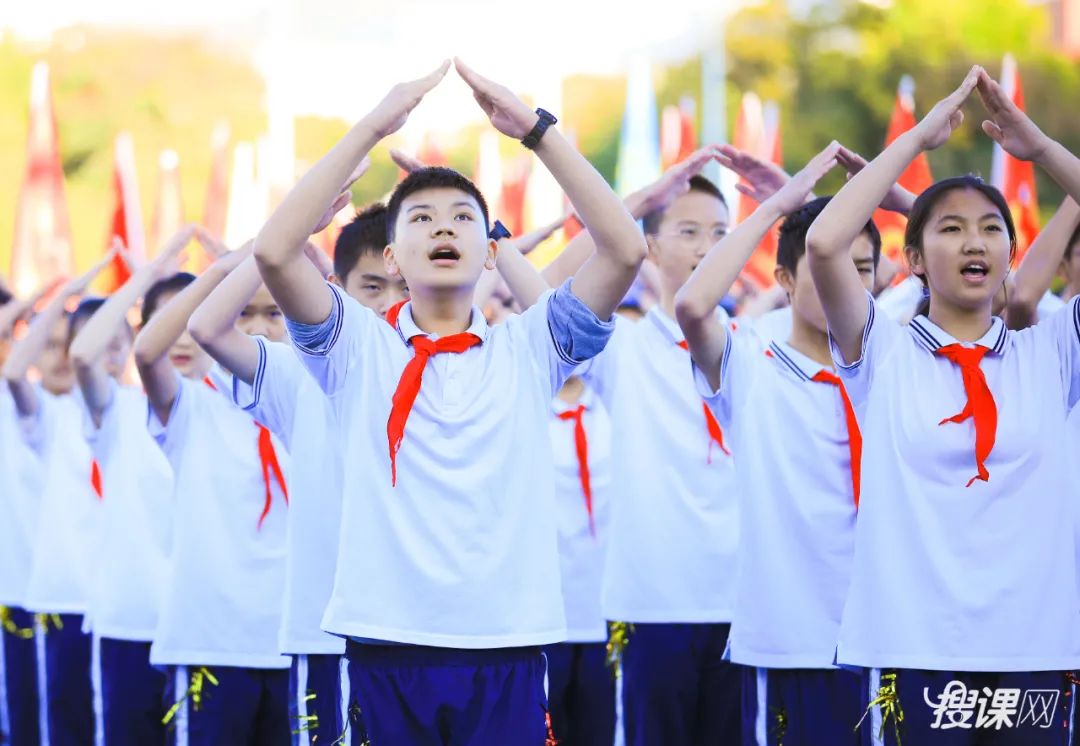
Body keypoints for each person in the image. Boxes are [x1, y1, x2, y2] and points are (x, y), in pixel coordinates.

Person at [253, 59, 645, 745]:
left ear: (490, 251)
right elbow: (277, 251)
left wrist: (536, 132)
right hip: (387, 642)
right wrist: (372, 126)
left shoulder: (530, 347)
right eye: (423, 218)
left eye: (464, 217)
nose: (444, 227)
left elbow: (623, 248)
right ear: (394, 260)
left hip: (507, 644)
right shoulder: (356, 350)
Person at [804, 65, 1080, 743]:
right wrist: (918, 142)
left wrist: (1039, 147)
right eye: (951, 229)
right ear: (915, 259)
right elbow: (824, 243)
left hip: (1033, 655)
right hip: (914, 652)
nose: (974, 242)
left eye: (991, 228)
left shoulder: (1052, 354)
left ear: (1012, 255)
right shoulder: (884, 355)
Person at [676, 142, 885, 745]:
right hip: (790, 644)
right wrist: (776, 209)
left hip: (887, 641)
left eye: (860, 266)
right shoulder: (752, 361)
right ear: (786, 278)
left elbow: (984, 278)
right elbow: (693, 304)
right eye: (820, 265)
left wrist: (890, 192)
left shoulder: (896, 359)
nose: (841, 278)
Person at [133, 241, 292, 745]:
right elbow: (148, 351)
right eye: (244, 312)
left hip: (295, 647)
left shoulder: (318, 402)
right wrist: (226, 268)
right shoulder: (192, 405)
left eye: (276, 313)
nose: (262, 327)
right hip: (210, 646)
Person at [67, 230, 194, 745]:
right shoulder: (117, 410)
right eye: (165, 324)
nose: (179, 338)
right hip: (130, 625)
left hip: (201, 631)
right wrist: (145, 276)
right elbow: (83, 356)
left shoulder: (248, 407)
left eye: (190, 323)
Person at [2, 256, 113, 746]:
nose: (64, 356)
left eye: (72, 346)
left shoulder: (132, 410)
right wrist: (60, 298)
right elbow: (13, 369)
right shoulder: (42, 416)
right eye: (52, 346)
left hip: (113, 606)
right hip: (56, 600)